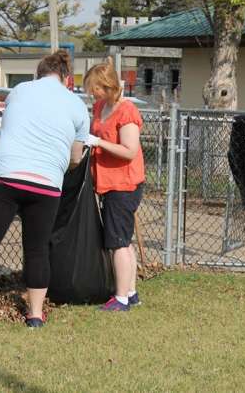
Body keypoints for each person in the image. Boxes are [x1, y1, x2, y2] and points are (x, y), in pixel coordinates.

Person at [0, 51, 90, 328]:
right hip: (46, 184)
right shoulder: (77, 105)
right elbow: (75, 157)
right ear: (67, 78)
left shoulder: (20, 90)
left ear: (38, 74)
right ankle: (35, 315)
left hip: (6, 177)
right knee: (37, 250)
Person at [84, 59, 145, 312]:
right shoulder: (100, 106)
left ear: (107, 85)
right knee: (123, 240)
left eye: (94, 88)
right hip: (108, 182)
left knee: (118, 242)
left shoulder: (126, 110)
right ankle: (130, 293)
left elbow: (130, 151)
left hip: (124, 184)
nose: (91, 93)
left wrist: (97, 142)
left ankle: (119, 299)